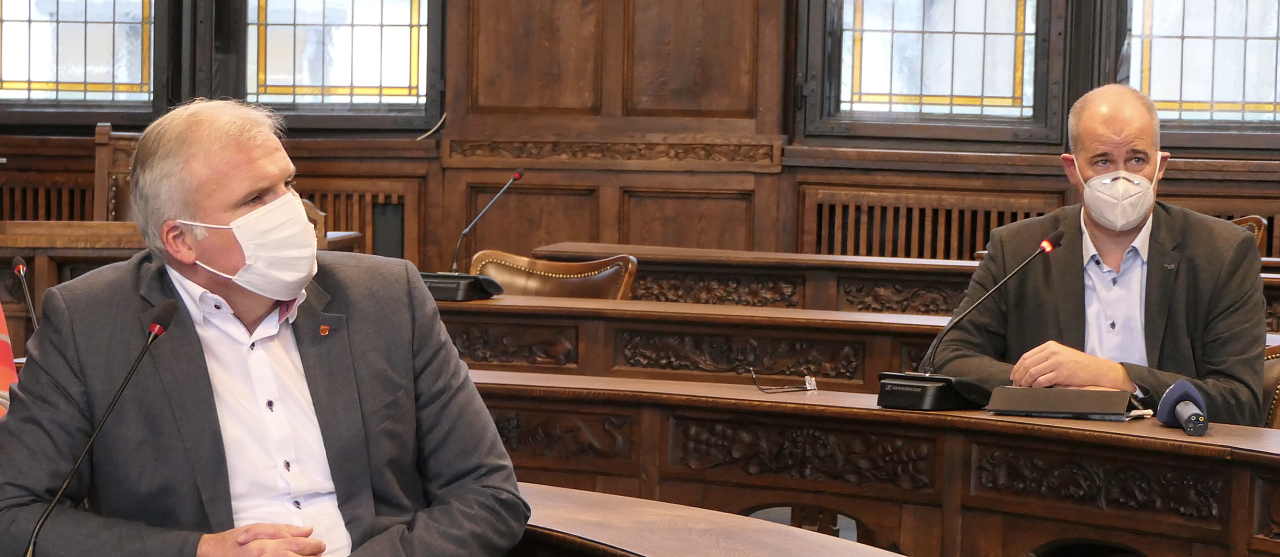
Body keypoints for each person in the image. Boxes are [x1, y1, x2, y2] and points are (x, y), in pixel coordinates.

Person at [0, 99, 529, 556]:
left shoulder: (388, 298)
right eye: (256, 199)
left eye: (287, 184)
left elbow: (489, 494)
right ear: (181, 240)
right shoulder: (90, 322)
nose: (293, 211)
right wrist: (198, 552)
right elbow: (15, 513)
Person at [933, 84, 1266, 426]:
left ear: (1160, 165)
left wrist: (1116, 377)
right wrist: (1048, 387)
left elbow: (1240, 401)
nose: (1122, 178)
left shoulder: (1222, 253)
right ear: (1072, 169)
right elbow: (948, 358)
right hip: (1049, 444)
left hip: (1170, 451)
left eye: (1136, 160)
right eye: (1103, 161)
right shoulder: (1019, 248)